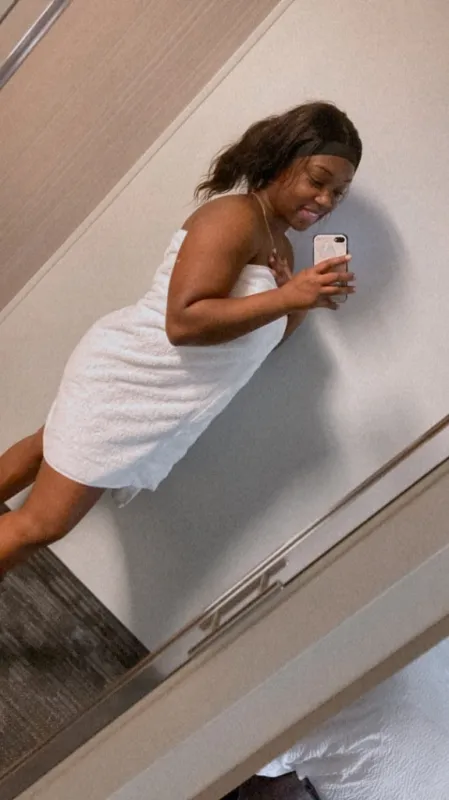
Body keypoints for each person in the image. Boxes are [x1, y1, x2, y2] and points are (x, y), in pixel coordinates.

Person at [0, 101, 362, 575]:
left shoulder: (280, 247)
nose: (326, 200)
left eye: (338, 192)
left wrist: (299, 301)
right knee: (42, 524)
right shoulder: (234, 217)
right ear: (282, 159)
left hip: (146, 394)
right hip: (129, 379)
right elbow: (185, 323)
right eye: (318, 180)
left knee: (42, 452)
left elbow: (259, 343)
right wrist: (284, 296)